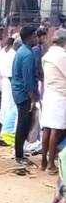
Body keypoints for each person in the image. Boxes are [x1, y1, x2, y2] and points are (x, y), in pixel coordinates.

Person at [11, 24, 40, 165]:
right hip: (23, 94)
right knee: (23, 124)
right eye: (35, 35)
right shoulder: (27, 54)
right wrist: (33, 97)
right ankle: (19, 155)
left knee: (24, 123)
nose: (37, 38)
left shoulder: (22, 50)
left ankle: (20, 153)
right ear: (29, 37)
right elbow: (28, 79)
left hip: (19, 91)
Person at [40, 28, 66, 174]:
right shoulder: (62, 57)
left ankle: (44, 161)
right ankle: (50, 164)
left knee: (47, 129)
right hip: (60, 96)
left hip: (49, 94)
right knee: (55, 130)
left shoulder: (47, 55)